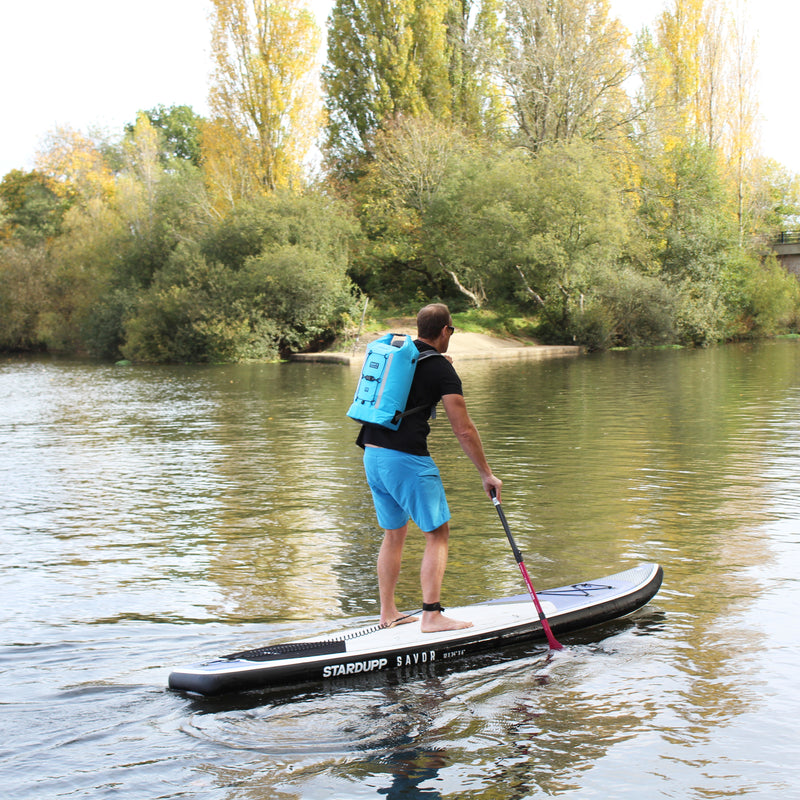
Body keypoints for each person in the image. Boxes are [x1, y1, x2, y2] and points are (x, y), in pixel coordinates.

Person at [356, 303, 502, 632]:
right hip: (405, 459)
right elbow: (463, 429)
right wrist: (485, 473)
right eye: (452, 330)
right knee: (437, 534)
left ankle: (388, 613)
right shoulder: (440, 369)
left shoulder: (404, 358)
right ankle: (432, 615)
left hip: (372, 453)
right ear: (446, 330)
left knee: (394, 534)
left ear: (419, 328)